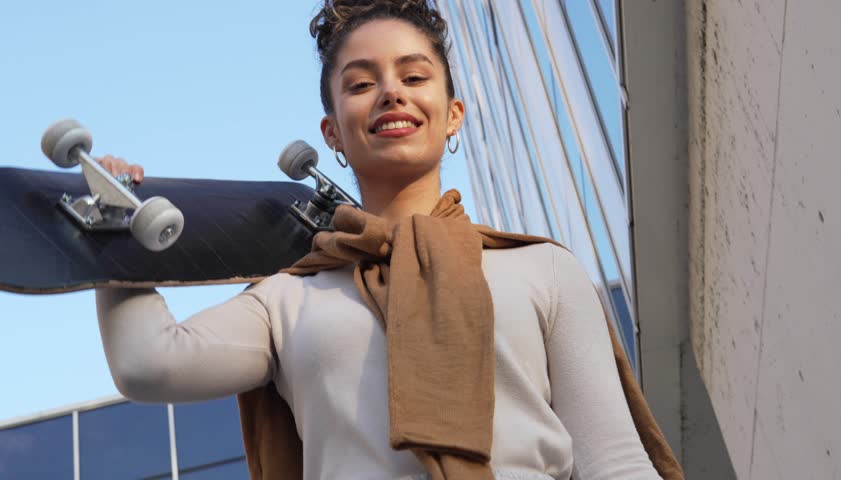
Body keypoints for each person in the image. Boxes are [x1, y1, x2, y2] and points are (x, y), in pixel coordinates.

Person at [95, 1, 679, 479]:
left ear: (452, 115)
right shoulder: (288, 298)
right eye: (361, 83)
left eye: (414, 76)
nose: (391, 93)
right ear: (334, 134)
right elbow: (149, 363)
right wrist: (115, 231)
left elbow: (617, 464)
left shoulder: (542, 269)